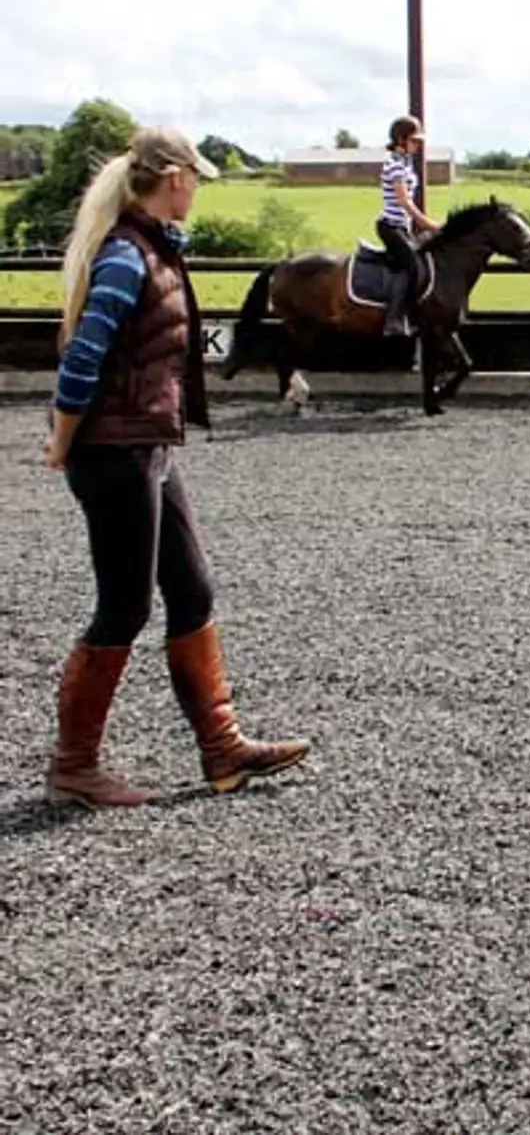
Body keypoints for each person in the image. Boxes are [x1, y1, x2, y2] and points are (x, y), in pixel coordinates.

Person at [41, 126, 311, 808]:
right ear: (173, 177)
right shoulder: (128, 258)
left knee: (191, 589)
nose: (198, 188)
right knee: (123, 607)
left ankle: (222, 748)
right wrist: (62, 438)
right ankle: (74, 766)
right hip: (116, 450)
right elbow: (83, 357)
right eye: (196, 176)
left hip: (148, 446)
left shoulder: (153, 250)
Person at [376, 116, 439, 337]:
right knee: (412, 266)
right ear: (401, 139)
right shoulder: (395, 165)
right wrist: (428, 224)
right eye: (415, 141)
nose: (418, 145)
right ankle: (393, 320)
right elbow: (404, 201)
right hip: (391, 227)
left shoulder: (405, 163)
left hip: (402, 227)